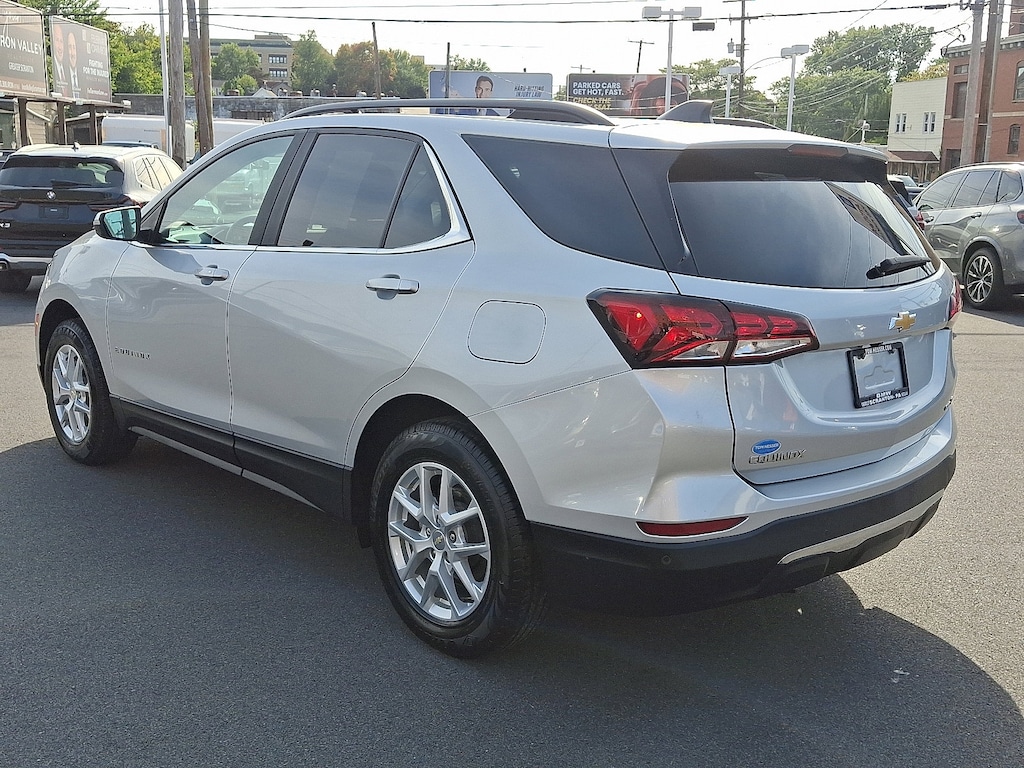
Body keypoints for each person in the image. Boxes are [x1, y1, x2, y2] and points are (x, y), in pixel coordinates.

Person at [51, 24, 69, 97]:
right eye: (57, 40)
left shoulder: (67, 71)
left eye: (61, 41)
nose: (60, 47)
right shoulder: (52, 68)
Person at [67, 30, 81, 99]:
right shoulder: (64, 76)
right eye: (69, 47)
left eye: (74, 47)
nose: (72, 53)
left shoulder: (83, 79)